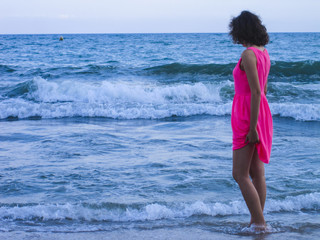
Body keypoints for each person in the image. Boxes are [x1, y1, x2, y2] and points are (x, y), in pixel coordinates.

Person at [229, 11, 273, 230]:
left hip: (248, 114)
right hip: (260, 111)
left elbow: (255, 91)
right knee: (257, 172)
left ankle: (259, 221)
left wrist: (253, 126)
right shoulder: (264, 53)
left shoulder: (248, 54)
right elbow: (264, 90)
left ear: (240, 30)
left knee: (239, 174)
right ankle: (257, 221)